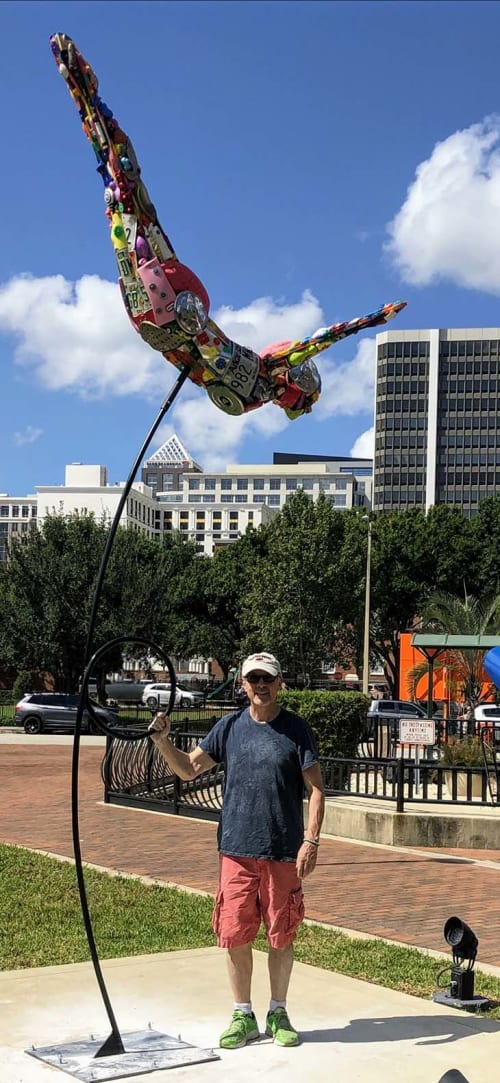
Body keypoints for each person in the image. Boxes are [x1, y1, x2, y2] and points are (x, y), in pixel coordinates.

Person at [148, 650, 324, 1050]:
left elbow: (315, 790)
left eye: (268, 679)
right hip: (236, 850)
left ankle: (278, 1012)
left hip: (282, 851)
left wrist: (310, 840)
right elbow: (190, 768)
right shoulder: (228, 728)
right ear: (243, 685)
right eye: (254, 679)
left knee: (281, 935)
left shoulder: (297, 731)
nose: (261, 685)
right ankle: (242, 1014)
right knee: (234, 934)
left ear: (280, 684)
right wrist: (162, 742)